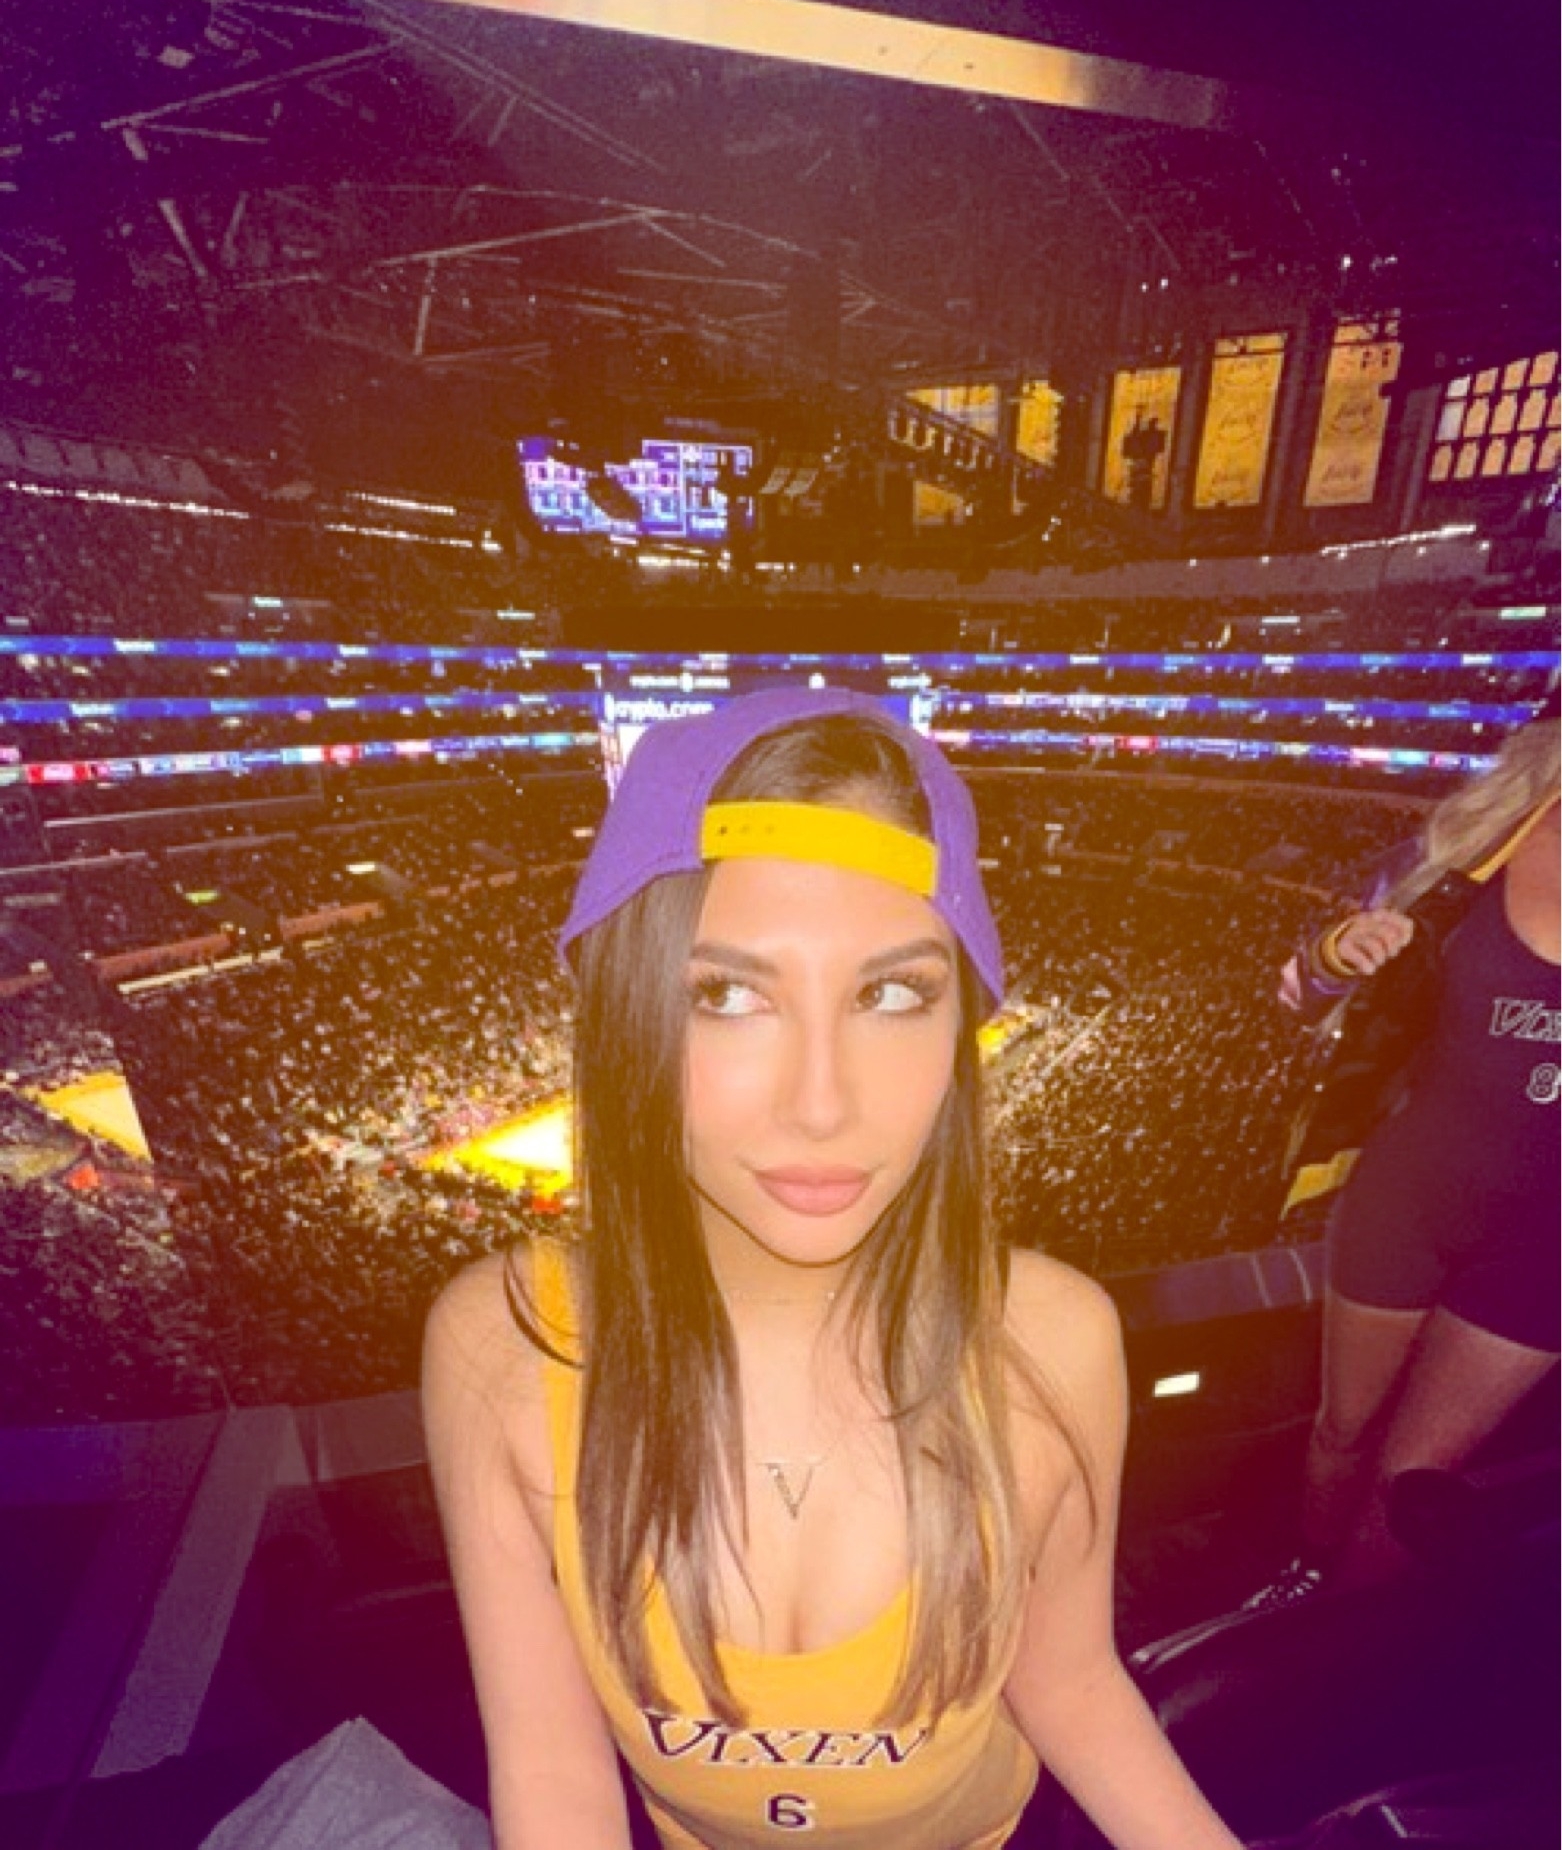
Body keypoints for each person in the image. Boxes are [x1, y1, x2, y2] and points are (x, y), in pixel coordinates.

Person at [422, 687, 1243, 1850]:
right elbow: (551, 1771)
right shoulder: (502, 1347)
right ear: (625, 1017)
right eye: (726, 996)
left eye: (891, 993)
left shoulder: (1054, 1339)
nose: (821, 1104)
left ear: (959, 1027)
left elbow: (1064, 1677)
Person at [1253, 701, 1560, 1608]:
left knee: (1412, 1483)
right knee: (1341, 1433)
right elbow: (1300, 994)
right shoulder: (1483, 840)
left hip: (1545, 1247)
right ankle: (1304, 1577)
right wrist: (1335, 956)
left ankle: (1342, 1637)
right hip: (1413, 1194)